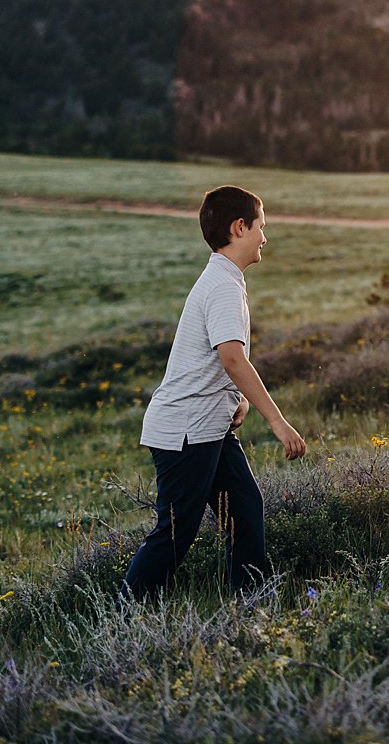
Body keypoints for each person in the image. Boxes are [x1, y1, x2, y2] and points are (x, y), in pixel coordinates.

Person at [123, 186, 307, 601]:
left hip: (210, 428)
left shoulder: (225, 279)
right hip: (186, 431)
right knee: (175, 532)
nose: (265, 236)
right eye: (261, 226)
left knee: (245, 509)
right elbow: (232, 359)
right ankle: (125, 613)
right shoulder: (222, 285)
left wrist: (237, 400)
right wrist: (277, 422)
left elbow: (219, 361)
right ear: (239, 227)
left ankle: (252, 604)